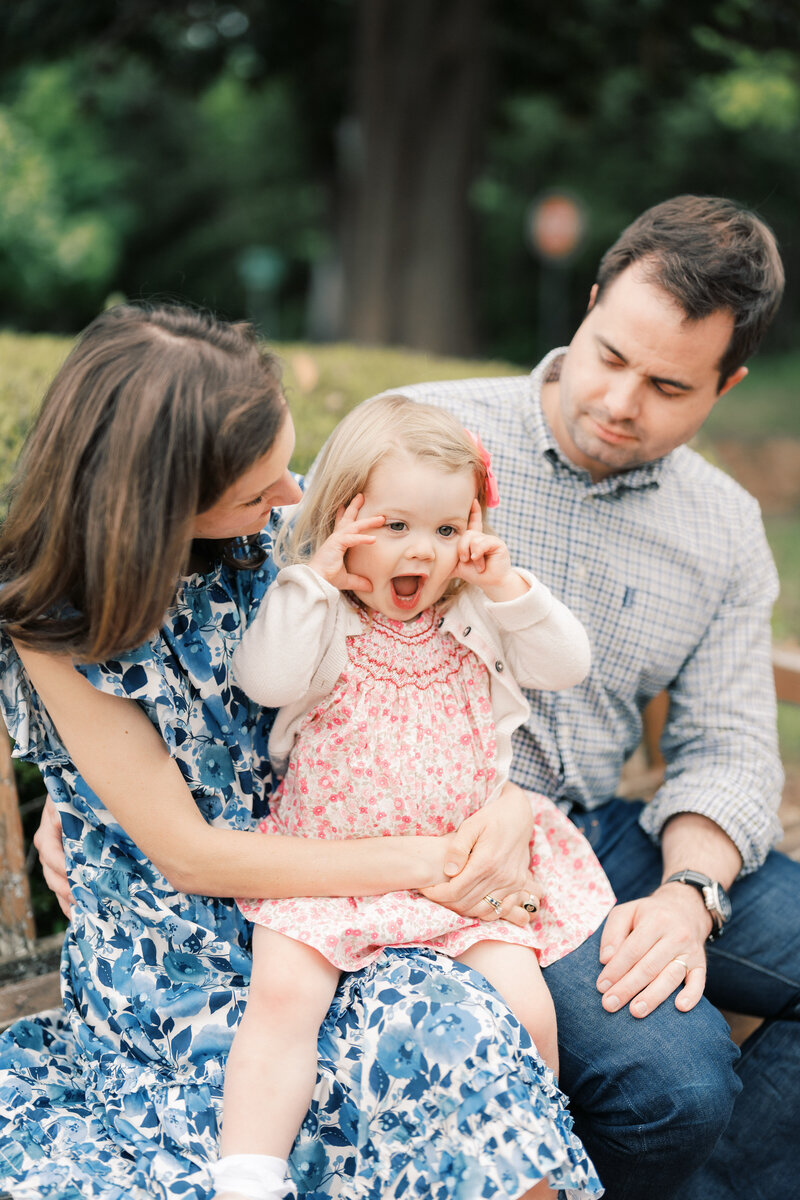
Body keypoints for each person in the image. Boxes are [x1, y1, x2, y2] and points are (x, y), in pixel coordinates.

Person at [0, 302, 601, 1200]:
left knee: (482, 1054)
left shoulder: (295, 526)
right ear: (159, 510)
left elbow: (448, 673)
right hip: (190, 955)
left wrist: (506, 809)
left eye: (288, 465)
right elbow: (194, 855)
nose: (292, 495)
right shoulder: (57, 629)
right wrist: (442, 856)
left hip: (359, 898)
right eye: (258, 489)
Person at [376, 193, 800, 1200]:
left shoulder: (723, 526)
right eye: (608, 355)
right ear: (593, 297)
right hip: (442, 850)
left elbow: (730, 745)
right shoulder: (421, 435)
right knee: (676, 1088)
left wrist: (688, 896)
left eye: (664, 385)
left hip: (605, 831)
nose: (618, 401)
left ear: (724, 385)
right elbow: (264, 605)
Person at [211, 395, 614, 1200]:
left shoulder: (475, 612)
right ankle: (248, 1174)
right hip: (326, 866)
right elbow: (264, 680)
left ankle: (530, 1154)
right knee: (284, 999)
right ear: (339, 523)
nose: (421, 553)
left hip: (459, 875)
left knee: (529, 1008)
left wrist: (504, 581)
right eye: (392, 527)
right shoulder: (321, 615)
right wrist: (312, 583)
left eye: (445, 529)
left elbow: (567, 663)